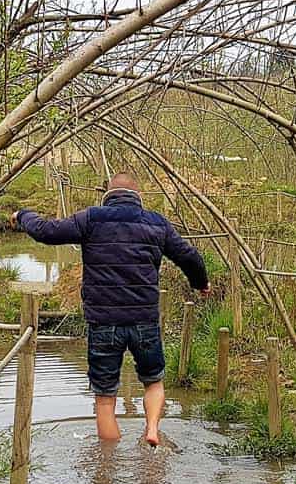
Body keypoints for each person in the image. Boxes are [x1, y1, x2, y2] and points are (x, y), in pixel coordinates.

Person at [11, 172, 209, 446]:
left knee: (105, 398)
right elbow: (189, 255)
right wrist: (201, 283)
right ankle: (152, 429)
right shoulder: (156, 223)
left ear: (108, 196)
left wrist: (23, 215)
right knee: (153, 382)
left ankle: (107, 461)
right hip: (144, 322)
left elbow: (46, 231)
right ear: (137, 197)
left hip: (104, 323)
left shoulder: (91, 219)